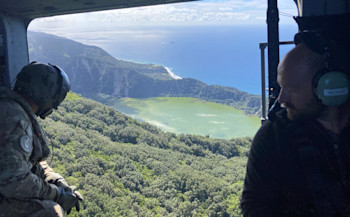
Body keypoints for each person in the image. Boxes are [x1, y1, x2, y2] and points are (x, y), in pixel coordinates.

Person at [241, 31, 350, 217]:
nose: (282, 99)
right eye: (281, 87)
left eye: (290, 89)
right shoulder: (274, 135)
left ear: (328, 87)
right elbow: (254, 207)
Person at [0, 62, 83, 217]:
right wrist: (56, 194)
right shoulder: (14, 119)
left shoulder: (13, 110)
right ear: (46, 95)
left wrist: (55, 179)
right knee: (51, 212)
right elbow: (15, 180)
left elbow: (27, 162)